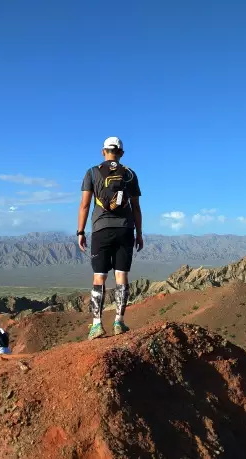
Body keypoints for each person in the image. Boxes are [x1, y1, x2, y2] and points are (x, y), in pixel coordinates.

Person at [77, 136, 143, 340]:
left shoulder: (92, 172)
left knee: (100, 276)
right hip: (125, 229)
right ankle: (119, 322)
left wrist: (80, 232)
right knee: (121, 275)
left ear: (103, 151)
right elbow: (136, 207)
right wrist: (139, 233)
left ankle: (96, 325)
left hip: (100, 230)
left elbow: (85, 205)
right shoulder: (130, 174)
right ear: (121, 153)